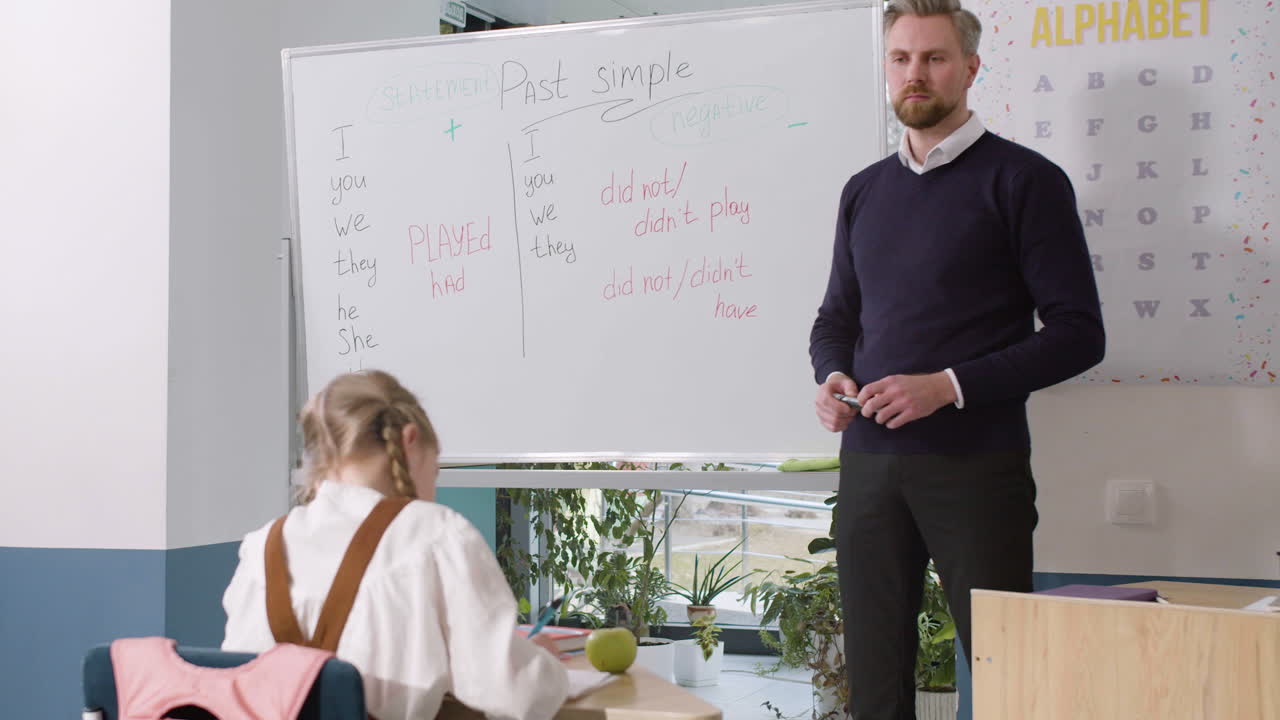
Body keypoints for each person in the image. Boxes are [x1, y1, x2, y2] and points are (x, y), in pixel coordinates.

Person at [808, 0, 1105, 716]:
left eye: (934, 58)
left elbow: (1078, 333)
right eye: (901, 59)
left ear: (970, 68)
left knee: (1008, 679)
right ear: (886, 68)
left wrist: (947, 387)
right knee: (874, 683)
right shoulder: (864, 192)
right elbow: (835, 320)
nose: (917, 74)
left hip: (977, 470)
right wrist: (832, 375)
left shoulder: (1025, 181)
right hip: (870, 469)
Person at [222, 369, 569, 719]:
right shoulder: (438, 534)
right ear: (410, 440)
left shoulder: (262, 545)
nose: (433, 486)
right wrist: (543, 665)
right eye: (436, 470)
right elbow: (516, 696)